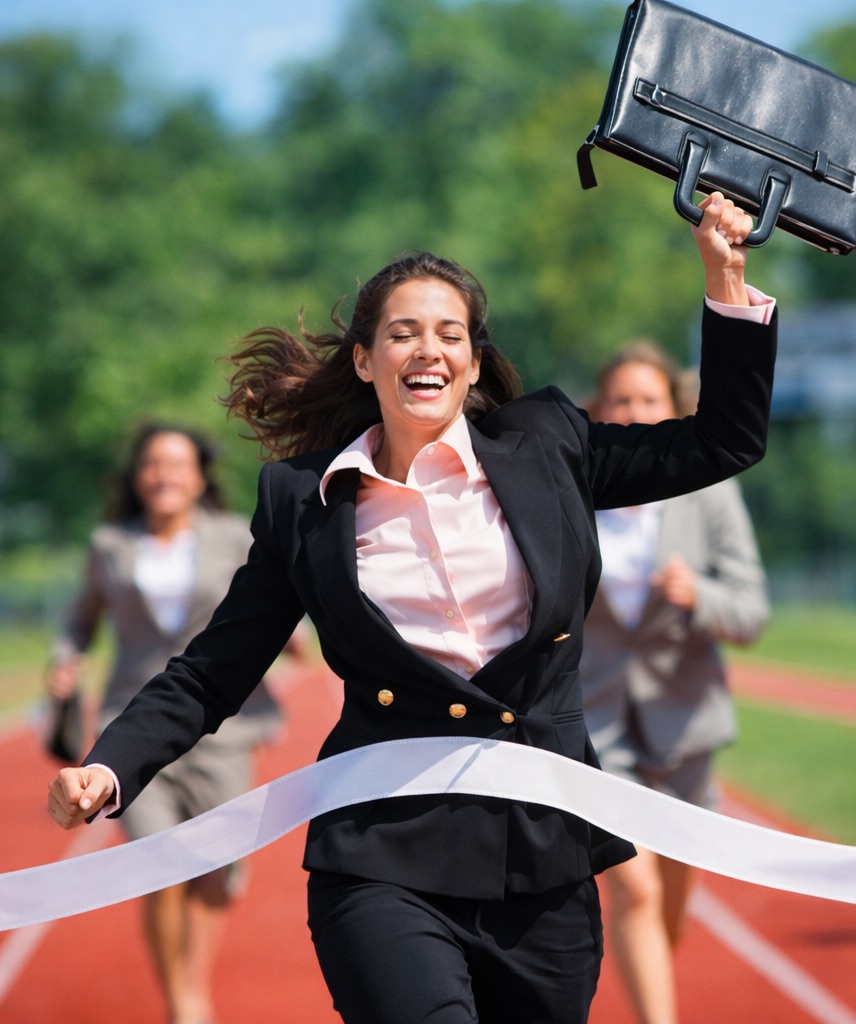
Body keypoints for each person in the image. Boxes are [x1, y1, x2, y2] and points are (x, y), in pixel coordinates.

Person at [48, 192, 777, 1024]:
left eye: (449, 334)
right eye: (402, 332)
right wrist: (108, 769)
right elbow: (214, 670)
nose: (426, 349)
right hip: (382, 858)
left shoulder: (550, 443)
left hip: (543, 860)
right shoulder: (303, 501)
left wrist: (724, 275)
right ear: (365, 360)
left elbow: (726, 439)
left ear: (471, 364)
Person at [45, 423, 306, 1024]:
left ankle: (195, 979)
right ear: (138, 478)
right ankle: (185, 1002)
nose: (165, 475)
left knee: (216, 872)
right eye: (153, 465)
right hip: (131, 724)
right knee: (159, 862)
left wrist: (293, 634)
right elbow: (80, 619)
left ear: (199, 476)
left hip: (224, 727)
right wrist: (66, 657)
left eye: (178, 464)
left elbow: (264, 601)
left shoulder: (234, 534)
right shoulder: (111, 544)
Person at [579, 343, 770, 1024]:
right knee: (631, 888)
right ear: (597, 413)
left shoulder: (710, 490)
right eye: (621, 401)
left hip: (686, 729)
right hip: (596, 729)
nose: (635, 413)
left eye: (649, 401)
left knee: (668, 910)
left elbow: (751, 611)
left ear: (674, 409)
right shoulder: (574, 489)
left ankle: (647, 993)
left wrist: (701, 598)